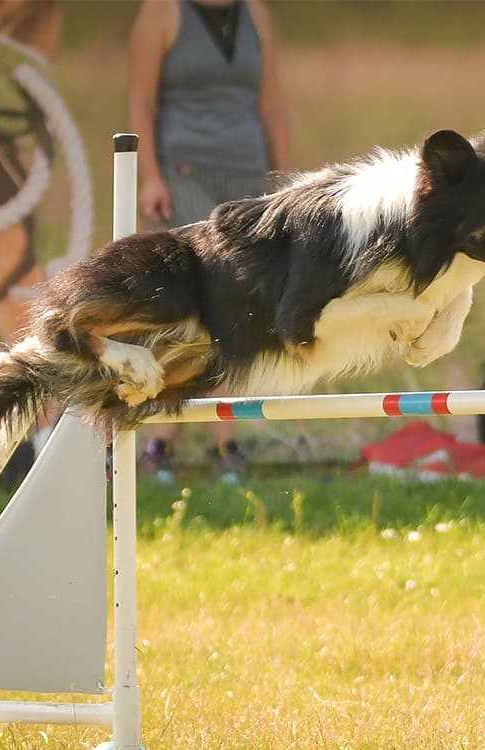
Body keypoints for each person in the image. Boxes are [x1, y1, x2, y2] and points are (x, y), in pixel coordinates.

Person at [127, 0, 289, 482]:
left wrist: (284, 183)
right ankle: (168, 443)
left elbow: (271, 103)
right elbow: (140, 100)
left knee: (240, 311)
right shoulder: (161, 11)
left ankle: (212, 446)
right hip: (184, 174)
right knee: (189, 310)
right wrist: (150, 176)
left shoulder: (255, 12)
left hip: (247, 179)